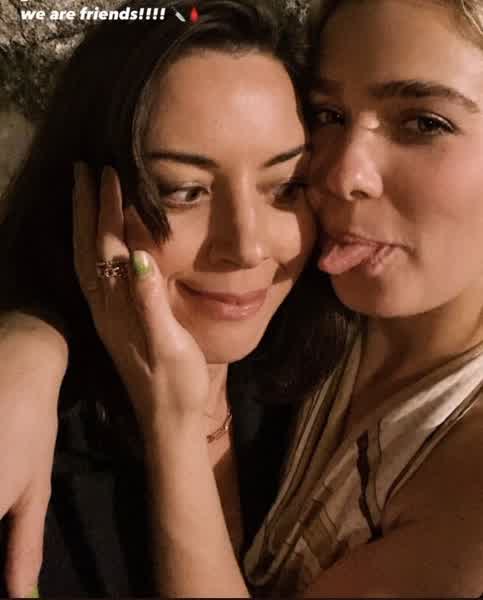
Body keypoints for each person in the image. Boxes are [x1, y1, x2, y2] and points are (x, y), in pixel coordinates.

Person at [4, 0, 483, 596]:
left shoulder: (302, 352)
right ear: (82, 194)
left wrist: (172, 418)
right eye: (183, 191)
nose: (248, 247)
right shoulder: (332, 321)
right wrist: (32, 338)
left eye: (284, 185)